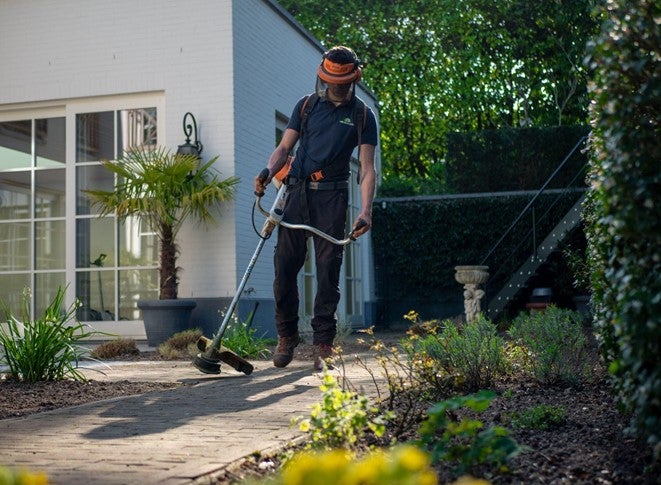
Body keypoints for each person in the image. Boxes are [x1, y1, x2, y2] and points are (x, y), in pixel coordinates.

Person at [254, 45, 379, 371]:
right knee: (283, 268)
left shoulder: (363, 115)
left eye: (339, 82)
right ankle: (287, 336)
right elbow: (284, 148)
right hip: (295, 194)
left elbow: (367, 169)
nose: (332, 87)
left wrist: (366, 209)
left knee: (328, 273)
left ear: (352, 79)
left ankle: (323, 344)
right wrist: (268, 172)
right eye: (328, 80)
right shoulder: (306, 106)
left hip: (331, 199)